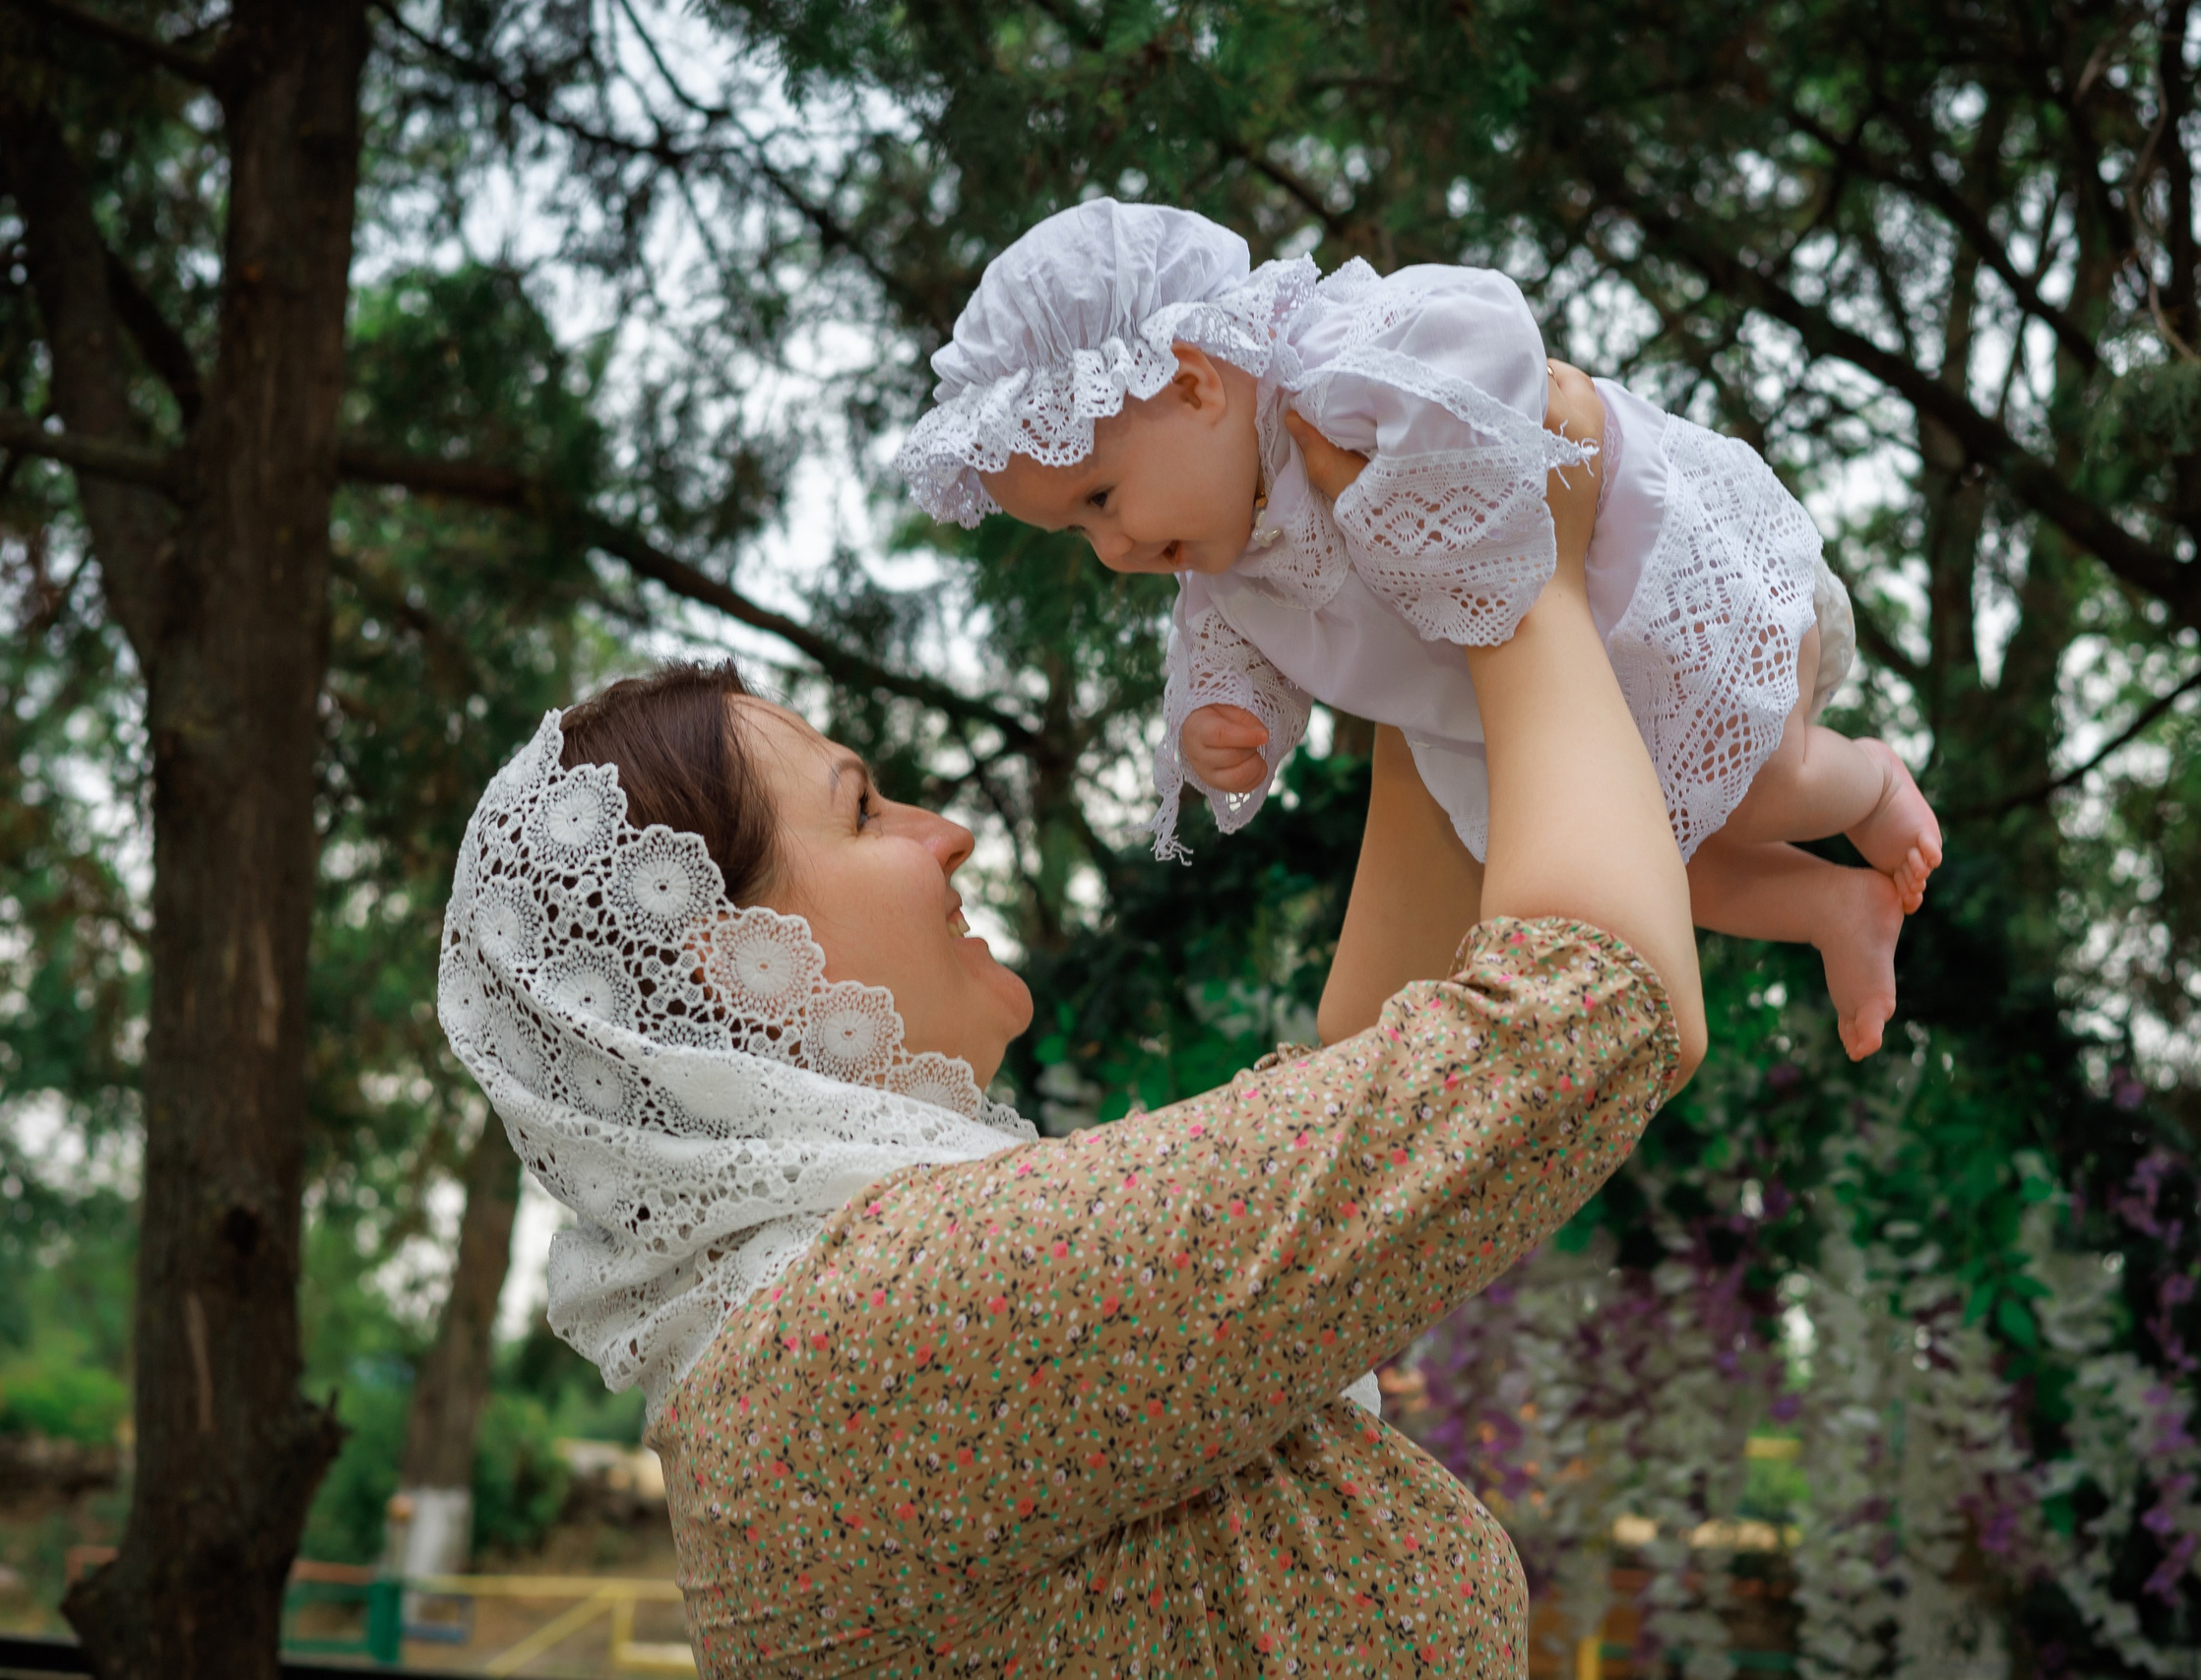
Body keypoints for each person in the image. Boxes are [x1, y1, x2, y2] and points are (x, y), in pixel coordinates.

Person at [438, 367, 1704, 1674]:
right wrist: (1523, 583)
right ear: (731, 960)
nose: (950, 833)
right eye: (866, 810)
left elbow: (1359, 1109)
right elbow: (1577, 1022)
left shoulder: (816, 1333)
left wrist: (1415, 634)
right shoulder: (877, 1336)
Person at [898, 199, 1942, 1058]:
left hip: (1652, 600)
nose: (1109, 548)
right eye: (1077, 530)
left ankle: (1865, 780)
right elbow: (1222, 648)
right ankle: (1831, 909)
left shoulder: (1335, 376)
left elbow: (1485, 334)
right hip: (1546, 718)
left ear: (1192, 383)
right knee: (1670, 865)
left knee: (1761, 787)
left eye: (1099, 499)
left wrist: (1401, 512)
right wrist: (1222, 717)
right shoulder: (1220, 559)